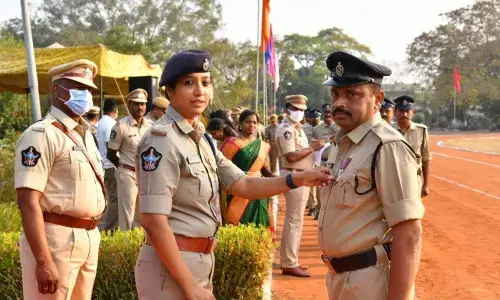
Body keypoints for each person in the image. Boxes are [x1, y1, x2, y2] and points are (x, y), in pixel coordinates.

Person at [134, 50, 333, 300]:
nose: (199, 91)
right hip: (170, 270)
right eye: (188, 83)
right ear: (170, 91)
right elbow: (154, 221)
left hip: (197, 261)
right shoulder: (162, 139)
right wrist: (189, 286)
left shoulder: (201, 138)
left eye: (205, 83)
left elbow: (243, 184)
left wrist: (296, 179)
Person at [320, 51, 425, 300]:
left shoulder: (387, 146)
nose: (339, 103)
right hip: (340, 279)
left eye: (352, 94)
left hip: (370, 282)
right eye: (336, 94)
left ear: (378, 100)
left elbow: (409, 235)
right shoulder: (342, 143)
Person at [15, 59, 105, 299]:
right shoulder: (41, 134)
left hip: (88, 236)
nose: (85, 95)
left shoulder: (85, 135)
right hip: (56, 240)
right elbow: (27, 201)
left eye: (88, 90)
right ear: (56, 90)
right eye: (77, 88)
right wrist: (43, 261)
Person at [276, 94, 325, 278]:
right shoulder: (286, 129)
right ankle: (289, 262)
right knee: (294, 220)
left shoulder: (297, 128)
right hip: (293, 174)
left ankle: (291, 260)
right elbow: (291, 156)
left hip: (300, 176)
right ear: (286, 109)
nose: (299, 112)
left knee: (296, 220)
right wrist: (313, 148)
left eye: (302, 109)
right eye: (295, 109)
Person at [221, 109, 275, 231]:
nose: (252, 125)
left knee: (261, 226)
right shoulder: (233, 144)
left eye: (255, 123)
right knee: (236, 223)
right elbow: (222, 168)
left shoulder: (262, 145)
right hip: (238, 190)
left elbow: (265, 170)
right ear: (240, 124)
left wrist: (282, 180)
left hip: (259, 190)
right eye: (248, 122)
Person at [107, 88, 153, 231]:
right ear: (129, 105)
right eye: (136, 104)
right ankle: (126, 245)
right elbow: (111, 153)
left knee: (142, 214)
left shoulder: (150, 126)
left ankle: (138, 245)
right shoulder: (121, 126)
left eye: (143, 104)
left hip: (145, 174)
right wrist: (122, 167)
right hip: (128, 173)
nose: (140, 107)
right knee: (127, 214)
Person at [394, 95, 432, 197]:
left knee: (414, 211)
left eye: (407, 111)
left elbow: (426, 158)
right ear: (395, 112)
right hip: (393, 182)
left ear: (412, 112)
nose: (404, 114)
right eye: (401, 111)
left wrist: (426, 184)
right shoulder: (388, 131)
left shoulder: (421, 131)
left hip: (415, 180)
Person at [97, 98, 119, 231]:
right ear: (115, 110)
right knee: (114, 199)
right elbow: (110, 146)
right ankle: (111, 229)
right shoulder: (110, 123)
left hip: (104, 164)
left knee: (112, 198)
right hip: (111, 165)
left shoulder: (100, 122)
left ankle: (111, 228)